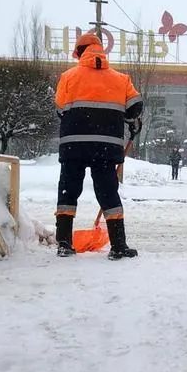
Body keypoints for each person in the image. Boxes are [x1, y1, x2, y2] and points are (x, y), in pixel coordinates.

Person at [54, 32, 143, 260]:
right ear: (101, 51)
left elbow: (60, 108)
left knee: (68, 191)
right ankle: (118, 246)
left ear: (81, 52)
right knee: (108, 194)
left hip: (73, 146)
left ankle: (64, 243)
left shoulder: (68, 77)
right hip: (106, 147)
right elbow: (135, 108)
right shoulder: (121, 79)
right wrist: (130, 121)